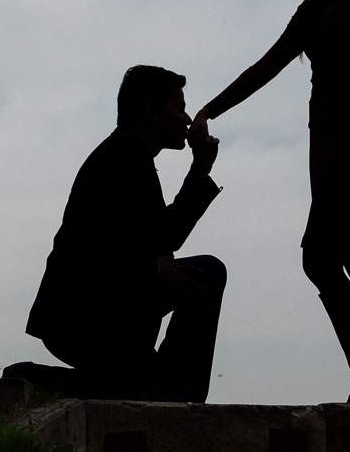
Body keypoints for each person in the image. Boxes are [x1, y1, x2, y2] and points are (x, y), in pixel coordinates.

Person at [189, 0, 350, 402]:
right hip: (325, 155)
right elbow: (265, 67)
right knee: (349, 262)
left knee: (336, 262)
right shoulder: (314, 9)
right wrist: (210, 109)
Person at [24, 65, 226, 402]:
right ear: (151, 109)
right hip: (83, 314)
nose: (188, 119)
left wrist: (157, 264)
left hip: (90, 308)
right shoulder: (127, 152)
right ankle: (176, 395)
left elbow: (155, 240)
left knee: (192, 274)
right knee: (207, 275)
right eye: (179, 108)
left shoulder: (130, 151)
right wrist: (156, 268)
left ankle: (158, 386)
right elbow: (141, 243)